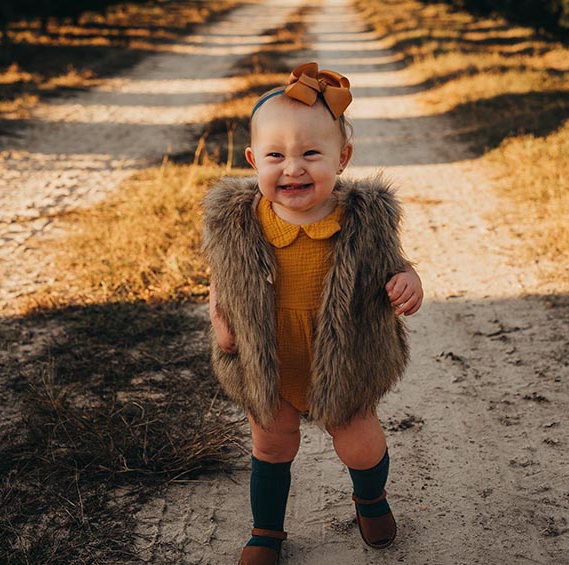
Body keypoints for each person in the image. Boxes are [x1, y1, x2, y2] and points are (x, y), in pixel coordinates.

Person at [202, 62, 423, 565]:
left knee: (359, 443)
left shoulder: (363, 219)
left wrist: (408, 280)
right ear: (253, 159)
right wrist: (222, 325)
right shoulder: (238, 224)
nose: (293, 168)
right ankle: (266, 531)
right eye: (276, 155)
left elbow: (394, 263)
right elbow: (223, 280)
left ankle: (370, 497)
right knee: (271, 445)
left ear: (342, 158)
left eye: (311, 153)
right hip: (269, 361)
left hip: (344, 359)